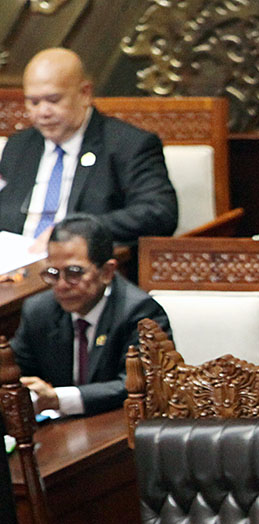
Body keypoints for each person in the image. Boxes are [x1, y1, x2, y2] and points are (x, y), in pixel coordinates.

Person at [0, 48, 177, 247]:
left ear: (85, 93)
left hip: (81, 270)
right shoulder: (19, 145)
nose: (43, 112)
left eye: (53, 100)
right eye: (33, 102)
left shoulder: (127, 145)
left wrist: (78, 232)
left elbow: (160, 211)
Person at [10, 214, 172, 417]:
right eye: (53, 273)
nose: (61, 285)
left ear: (107, 271)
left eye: (74, 272)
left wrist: (58, 398)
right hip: (64, 430)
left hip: (122, 426)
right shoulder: (39, 311)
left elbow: (137, 386)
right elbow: (14, 370)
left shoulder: (140, 313)